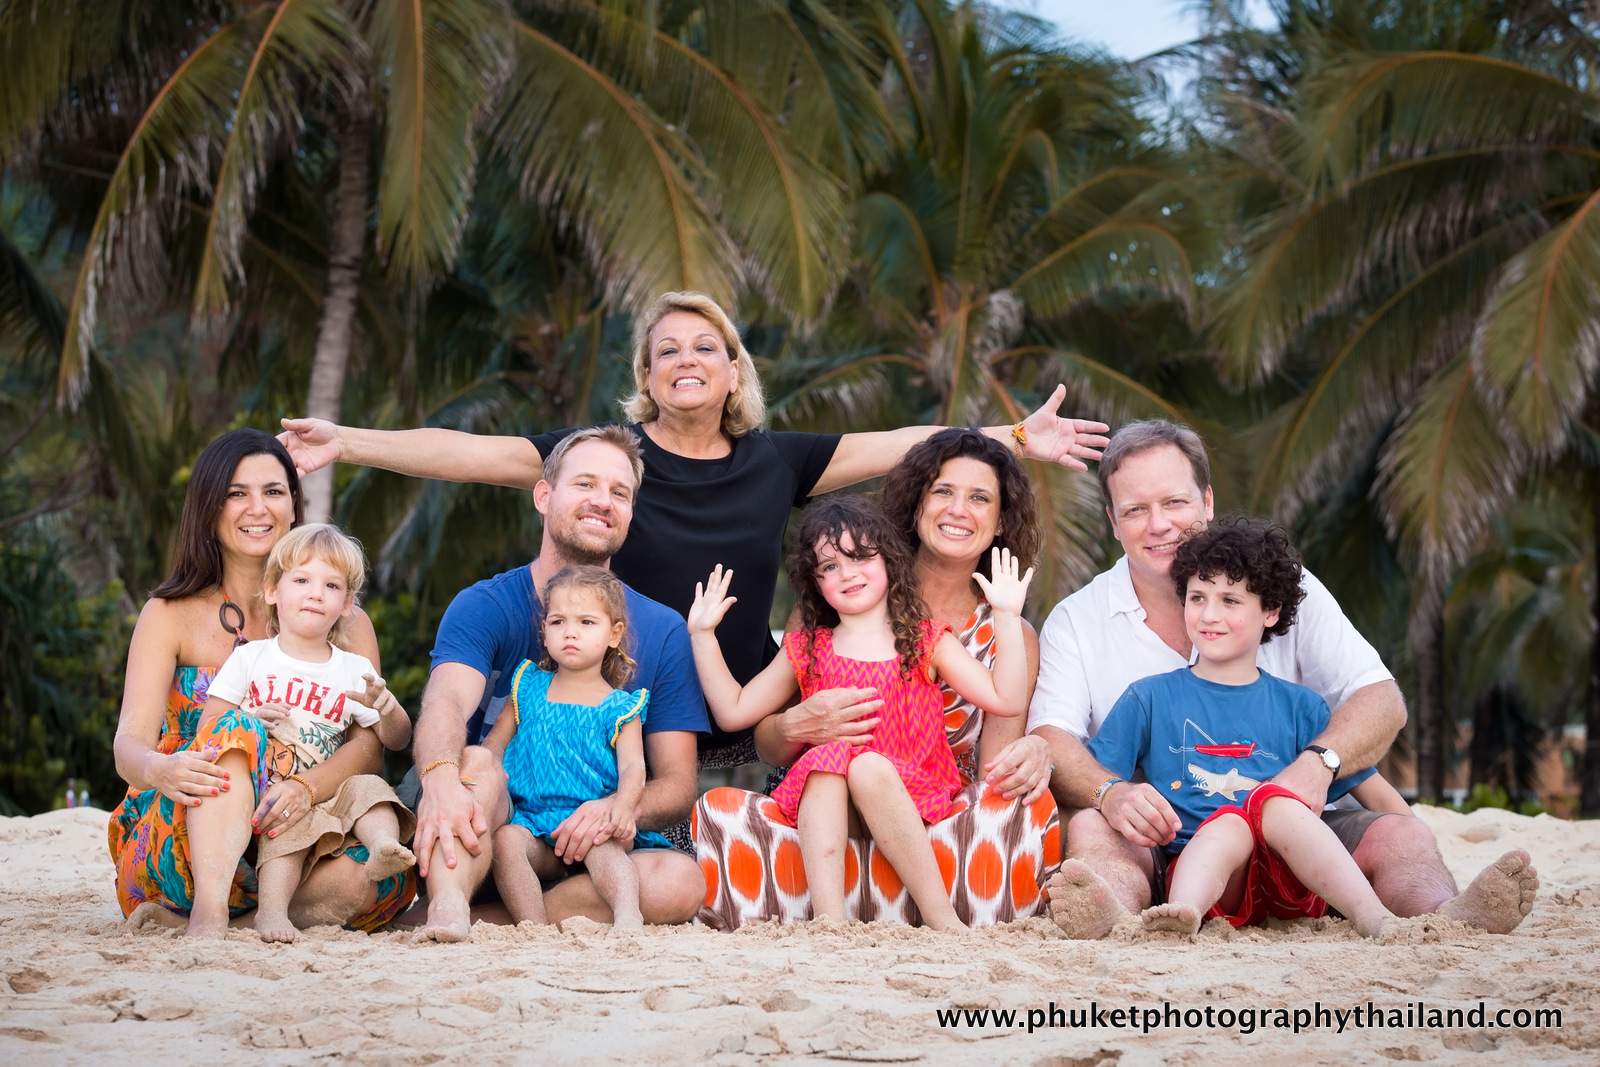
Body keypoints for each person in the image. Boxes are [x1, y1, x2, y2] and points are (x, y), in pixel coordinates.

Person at [278, 291, 1109, 793]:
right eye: (666, 350)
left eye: (706, 346)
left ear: (733, 371)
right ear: (647, 376)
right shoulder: (610, 459)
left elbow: (898, 443)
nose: (687, 358)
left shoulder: (776, 460)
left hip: (754, 712)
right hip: (636, 714)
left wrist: (1014, 435)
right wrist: (347, 441)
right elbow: (470, 454)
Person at [1028, 420, 1541, 939]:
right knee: (1092, 824)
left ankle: (1444, 916)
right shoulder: (1079, 621)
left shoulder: (1282, 588)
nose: (1158, 524)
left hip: (1300, 839)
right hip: (1170, 843)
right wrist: (1111, 793)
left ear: (1207, 501)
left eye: (1175, 502)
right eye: (1136, 510)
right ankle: (1117, 919)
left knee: (1400, 837)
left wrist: (1320, 765)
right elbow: (1051, 737)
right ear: (1113, 522)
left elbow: (1381, 700)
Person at [694, 429, 1060, 928]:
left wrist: (1006, 617)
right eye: (829, 566)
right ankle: (830, 921)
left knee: (871, 768)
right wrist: (703, 637)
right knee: (819, 769)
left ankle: (939, 917)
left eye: (979, 498)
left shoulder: (928, 639)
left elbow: (1005, 704)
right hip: (829, 809)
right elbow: (737, 713)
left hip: (923, 797)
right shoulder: (813, 639)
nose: (848, 573)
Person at [407, 426, 709, 942]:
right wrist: (439, 779)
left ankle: (502, 920)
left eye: (619, 493)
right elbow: (446, 703)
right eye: (585, 484)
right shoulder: (486, 604)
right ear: (544, 496)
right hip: (491, 822)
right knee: (477, 761)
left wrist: (613, 810)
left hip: (593, 841)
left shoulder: (661, 629)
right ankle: (451, 899)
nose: (603, 501)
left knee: (679, 882)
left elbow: (678, 784)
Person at [109, 429, 414, 938]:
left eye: (273, 491)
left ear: (293, 505)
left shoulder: (347, 622)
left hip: (297, 828)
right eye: (237, 493)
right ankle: (208, 911)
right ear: (209, 507)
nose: (258, 508)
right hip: (190, 821)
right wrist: (161, 769)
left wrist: (304, 787)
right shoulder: (167, 613)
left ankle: (250, 921)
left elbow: (370, 747)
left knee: (374, 878)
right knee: (237, 728)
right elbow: (128, 745)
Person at [1090, 518, 1410, 938]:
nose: (1209, 615)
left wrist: (1412, 832)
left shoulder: (1301, 706)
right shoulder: (1148, 697)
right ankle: (1179, 915)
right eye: (1198, 597)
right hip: (1205, 877)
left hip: (1293, 878)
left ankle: (1373, 917)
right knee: (1230, 824)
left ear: (1271, 611)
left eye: (1230, 600)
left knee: (1275, 805)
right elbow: (1100, 781)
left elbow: (1371, 790)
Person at [200, 524, 417, 943]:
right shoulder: (250, 658)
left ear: (347, 604)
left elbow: (397, 740)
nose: (316, 594)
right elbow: (210, 725)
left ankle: (383, 848)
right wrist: (248, 718)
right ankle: (271, 913)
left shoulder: (353, 669)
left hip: (328, 792)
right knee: (287, 830)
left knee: (371, 788)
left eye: (331, 585)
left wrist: (388, 707)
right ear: (272, 591)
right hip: (270, 795)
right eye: (301, 580)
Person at [486, 565, 669, 930]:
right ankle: (534, 928)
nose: (570, 632)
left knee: (608, 853)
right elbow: (494, 746)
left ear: (614, 634)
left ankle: (627, 916)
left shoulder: (620, 707)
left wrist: (622, 806)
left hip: (592, 827)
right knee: (506, 843)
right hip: (532, 823)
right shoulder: (526, 686)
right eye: (558, 622)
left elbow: (633, 767)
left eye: (586, 622)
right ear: (544, 630)